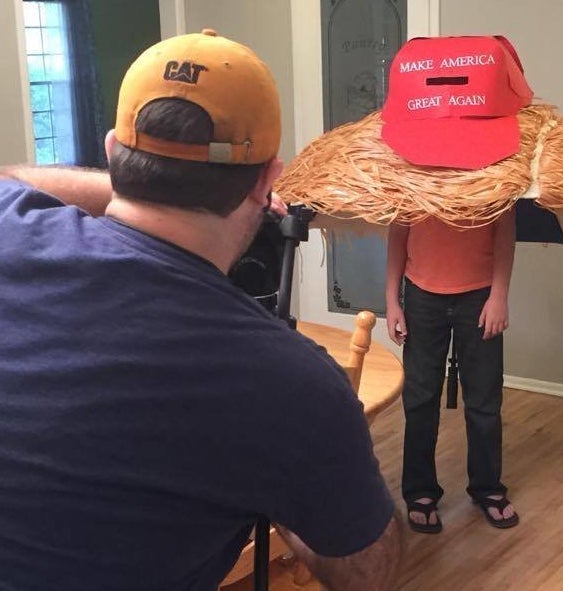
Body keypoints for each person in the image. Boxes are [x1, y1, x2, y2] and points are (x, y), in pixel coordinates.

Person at [0, 30, 401, 591]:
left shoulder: (8, 229)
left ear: (114, 149)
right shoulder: (293, 386)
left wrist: (120, 187)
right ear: (267, 180)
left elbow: (11, 179)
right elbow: (366, 573)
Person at [385, 211, 519, 533]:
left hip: (480, 294)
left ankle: (487, 486)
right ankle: (419, 491)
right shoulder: (413, 172)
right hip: (421, 295)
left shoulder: (492, 170)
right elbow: (398, 233)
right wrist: (392, 301)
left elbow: (504, 230)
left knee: (485, 398)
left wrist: (499, 295)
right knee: (419, 398)